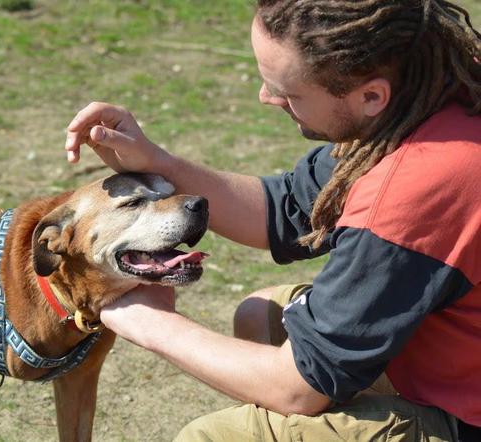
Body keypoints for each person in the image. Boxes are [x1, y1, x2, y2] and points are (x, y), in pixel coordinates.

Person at [64, 0, 481, 440]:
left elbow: (298, 387)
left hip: (466, 413)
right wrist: (156, 161)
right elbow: (282, 209)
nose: (266, 97)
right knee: (260, 319)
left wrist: (143, 320)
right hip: (456, 355)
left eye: (288, 91)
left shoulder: (418, 188)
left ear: (371, 95)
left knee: (209, 437)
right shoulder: (433, 88)